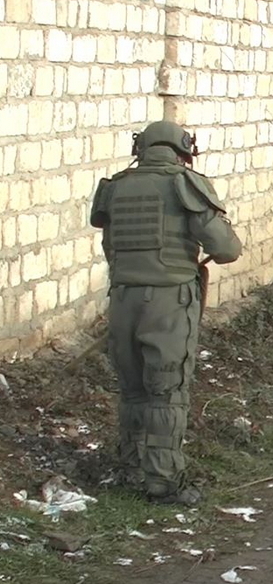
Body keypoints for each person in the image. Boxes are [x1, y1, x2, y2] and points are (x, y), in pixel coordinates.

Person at [90, 120, 242, 505]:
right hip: (168, 302)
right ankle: (162, 480)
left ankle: (129, 467)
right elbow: (225, 249)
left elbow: (111, 247)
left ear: (141, 148)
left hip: (122, 298)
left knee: (133, 389)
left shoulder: (116, 187)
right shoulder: (184, 184)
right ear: (183, 150)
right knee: (166, 391)